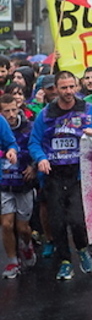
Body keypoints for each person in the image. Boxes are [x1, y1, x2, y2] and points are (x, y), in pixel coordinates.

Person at [28, 71, 92, 281]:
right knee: (57, 222)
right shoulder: (46, 114)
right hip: (53, 175)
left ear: (77, 87)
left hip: (78, 174)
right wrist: (41, 158)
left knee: (77, 220)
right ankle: (65, 262)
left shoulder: (89, 111)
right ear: (57, 89)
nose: (68, 92)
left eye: (71, 87)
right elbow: (34, 142)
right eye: (64, 88)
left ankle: (82, 249)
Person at [0, 93, 31, 279]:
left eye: (13, 110)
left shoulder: (27, 127)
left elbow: (12, 143)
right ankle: (12, 261)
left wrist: (12, 151)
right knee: (6, 224)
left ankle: (27, 245)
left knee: (22, 228)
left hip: (22, 183)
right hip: (3, 183)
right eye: (6, 111)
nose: (10, 114)